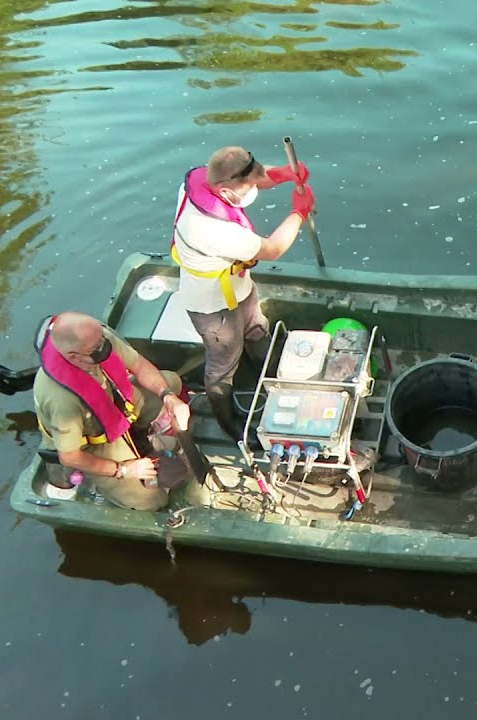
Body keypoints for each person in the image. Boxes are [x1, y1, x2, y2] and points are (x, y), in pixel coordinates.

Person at [170, 145, 316, 440]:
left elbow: (252, 178)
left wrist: (286, 174)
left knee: (256, 327)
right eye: (249, 187)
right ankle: (229, 421)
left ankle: (272, 366)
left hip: (238, 285)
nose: (255, 189)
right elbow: (273, 249)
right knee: (223, 363)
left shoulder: (204, 179)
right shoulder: (211, 229)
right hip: (212, 307)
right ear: (226, 193)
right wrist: (299, 212)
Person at [33, 312, 192, 511]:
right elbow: (70, 456)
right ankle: (98, 483)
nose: (105, 347)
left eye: (103, 339)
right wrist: (124, 469)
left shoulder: (97, 339)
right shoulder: (62, 401)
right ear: (74, 356)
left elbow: (139, 365)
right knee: (153, 501)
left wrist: (168, 396)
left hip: (115, 405)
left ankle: (138, 435)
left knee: (171, 381)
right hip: (93, 440)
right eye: (97, 348)